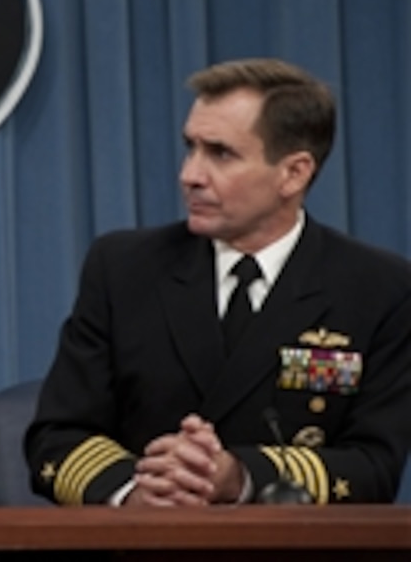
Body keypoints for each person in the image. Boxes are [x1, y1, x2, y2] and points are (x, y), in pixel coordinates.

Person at [25, 58, 411, 506]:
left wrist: (240, 476)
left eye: (220, 154)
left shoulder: (379, 289)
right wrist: (135, 491)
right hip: (145, 549)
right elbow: (57, 436)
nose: (190, 175)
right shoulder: (123, 268)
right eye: (190, 148)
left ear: (294, 173)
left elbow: (372, 466)